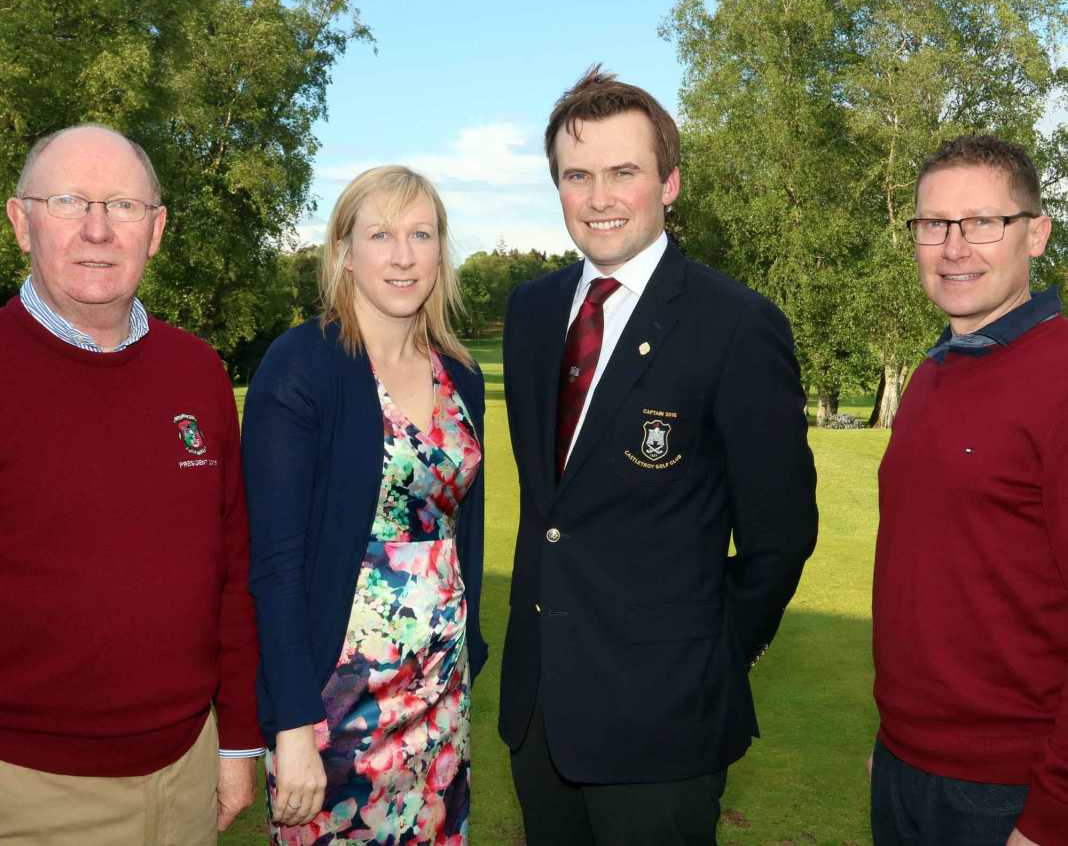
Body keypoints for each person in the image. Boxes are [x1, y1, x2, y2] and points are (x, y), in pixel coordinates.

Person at [498, 65, 819, 845]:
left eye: (623, 172)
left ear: (669, 183)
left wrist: (707, 655)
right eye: (577, 175)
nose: (599, 197)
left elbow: (780, 536)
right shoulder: (533, 312)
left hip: (664, 727)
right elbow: (553, 515)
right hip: (540, 712)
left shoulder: (736, 325)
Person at [0, 124, 261, 844]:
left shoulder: (198, 372)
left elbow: (234, 571)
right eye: (67, 201)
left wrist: (237, 742)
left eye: (122, 206)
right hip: (26, 790)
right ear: (21, 222)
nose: (96, 229)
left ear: (156, 230)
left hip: (186, 775)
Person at [242, 165, 487, 845]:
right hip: (337, 705)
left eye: (421, 234)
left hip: (441, 694)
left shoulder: (460, 373)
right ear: (345, 252)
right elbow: (276, 565)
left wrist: (472, 648)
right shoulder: (301, 366)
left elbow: (464, 533)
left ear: (441, 251)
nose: (403, 255)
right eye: (381, 234)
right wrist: (292, 727)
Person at [870, 135, 1066, 845]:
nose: (954, 247)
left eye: (984, 222)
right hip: (909, 768)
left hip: (1012, 793)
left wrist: (1050, 816)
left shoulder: (1060, 379)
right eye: (933, 225)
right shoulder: (934, 374)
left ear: (1035, 233)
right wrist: (896, 748)